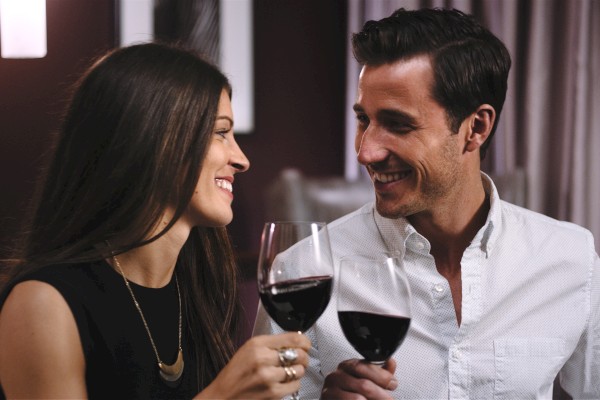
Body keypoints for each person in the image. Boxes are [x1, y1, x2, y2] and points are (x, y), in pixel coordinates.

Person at [254, 7, 600, 399]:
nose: (366, 152)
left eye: (398, 124)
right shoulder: (299, 276)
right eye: (364, 120)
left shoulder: (571, 260)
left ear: (476, 128)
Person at [0, 42, 310, 399]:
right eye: (221, 132)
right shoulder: (43, 304)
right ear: (155, 139)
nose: (241, 159)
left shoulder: (199, 284)